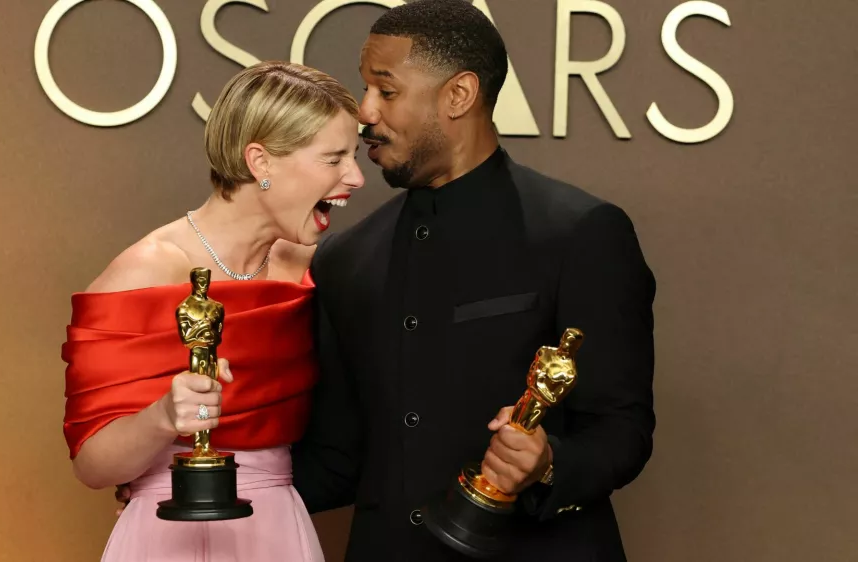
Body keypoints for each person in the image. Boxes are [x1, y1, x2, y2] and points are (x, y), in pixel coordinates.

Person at [289, 1, 656, 561]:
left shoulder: (580, 233)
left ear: (457, 95)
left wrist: (549, 462)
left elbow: (620, 429)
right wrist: (204, 488)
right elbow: (338, 458)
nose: (364, 112)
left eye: (385, 92)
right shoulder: (342, 258)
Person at [61, 60, 364, 561]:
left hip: (277, 535)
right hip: (164, 536)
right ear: (260, 162)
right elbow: (93, 466)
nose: (354, 177)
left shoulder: (320, 271)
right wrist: (162, 417)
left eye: (354, 157)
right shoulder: (147, 270)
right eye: (333, 159)